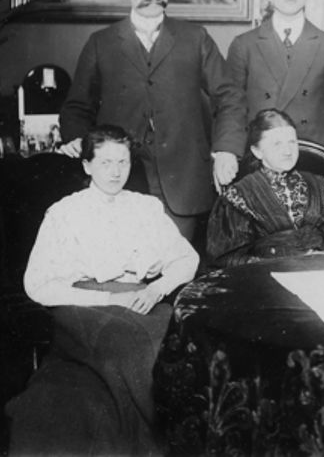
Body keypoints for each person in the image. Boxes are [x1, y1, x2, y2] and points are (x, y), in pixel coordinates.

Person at [13, 125, 199, 455]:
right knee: (132, 348)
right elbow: (37, 283)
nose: (115, 172)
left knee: (176, 343)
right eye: (105, 163)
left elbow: (187, 258)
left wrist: (156, 290)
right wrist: (110, 298)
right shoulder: (65, 213)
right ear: (87, 166)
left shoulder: (146, 208)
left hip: (141, 299)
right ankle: (165, 443)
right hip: (83, 306)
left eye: (122, 162)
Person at [59, 0, 247, 240]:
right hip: (121, 181)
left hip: (182, 182)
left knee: (178, 263)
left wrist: (226, 150)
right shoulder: (101, 43)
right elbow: (77, 107)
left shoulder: (195, 38)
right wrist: (75, 138)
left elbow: (230, 97)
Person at [226, 0, 324, 164]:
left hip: (314, 160)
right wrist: (230, 155)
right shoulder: (244, 45)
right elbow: (232, 111)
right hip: (260, 161)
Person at [206, 109, 324, 267]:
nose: (288, 151)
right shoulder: (238, 196)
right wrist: (280, 264)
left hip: (320, 270)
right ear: (257, 151)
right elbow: (228, 258)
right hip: (263, 276)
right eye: (277, 144)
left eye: (292, 142)